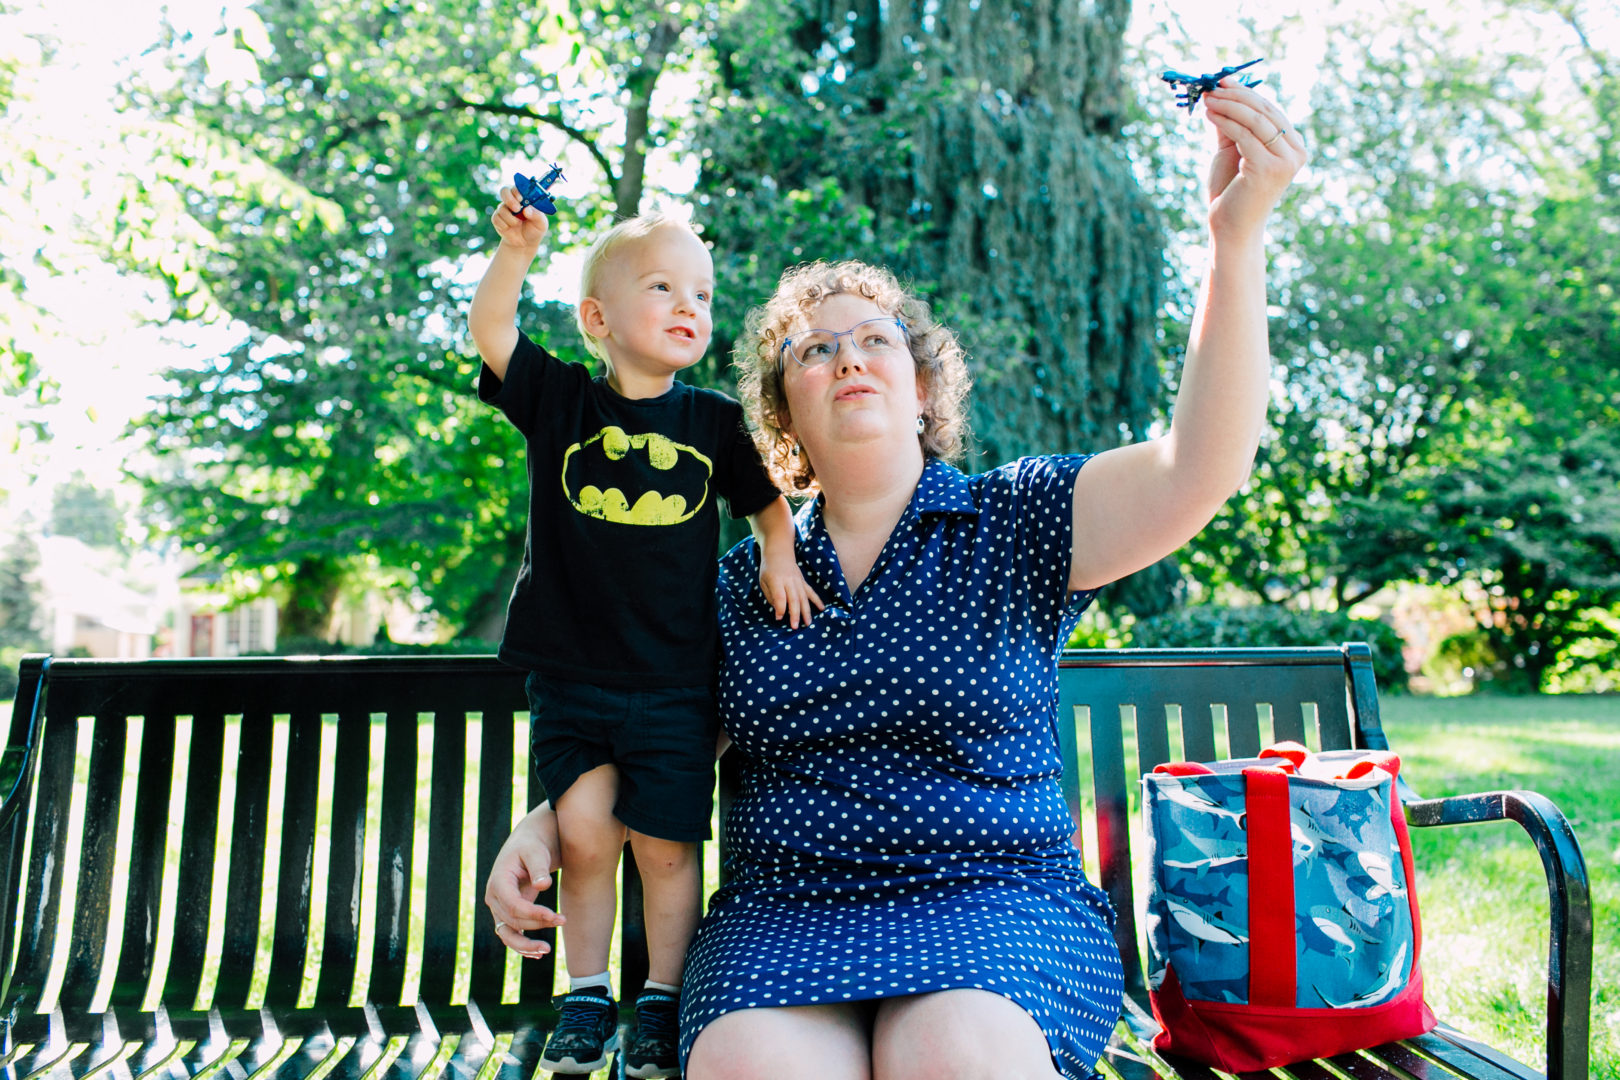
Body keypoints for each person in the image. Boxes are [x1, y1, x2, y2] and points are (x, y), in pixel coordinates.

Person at [485, 78, 1306, 1079]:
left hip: (997, 903)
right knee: (750, 1066)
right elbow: (655, 727)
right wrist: (545, 819)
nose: (847, 357)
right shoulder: (738, 586)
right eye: (814, 349)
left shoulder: (1020, 520)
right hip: (786, 913)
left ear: (922, 388)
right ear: (779, 416)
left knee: (954, 1054)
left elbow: (1200, 468)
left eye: (875, 340)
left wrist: (1237, 240)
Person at [467, 197, 823, 1078]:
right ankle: (586, 993)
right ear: (598, 319)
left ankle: (662, 999)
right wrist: (516, 252)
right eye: (662, 287)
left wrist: (778, 554)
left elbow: (766, 503)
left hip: (675, 682)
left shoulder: (708, 423)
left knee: (668, 850)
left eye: (700, 292)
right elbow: (491, 330)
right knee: (586, 836)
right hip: (572, 675)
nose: (688, 306)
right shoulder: (561, 406)